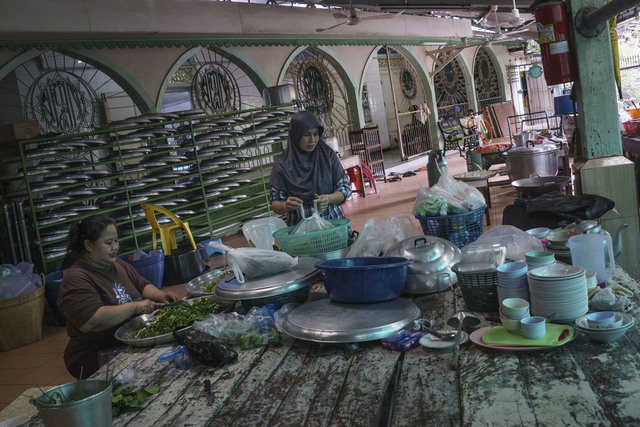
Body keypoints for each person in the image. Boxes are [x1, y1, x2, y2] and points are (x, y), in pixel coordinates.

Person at [58, 214, 179, 379]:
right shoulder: (76, 278)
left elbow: (142, 285)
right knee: (140, 375)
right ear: (89, 245)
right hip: (94, 350)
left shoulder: (117, 263)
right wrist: (134, 307)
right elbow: (91, 321)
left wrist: (161, 295)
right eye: (109, 242)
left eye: (116, 240)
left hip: (128, 339)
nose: (115, 246)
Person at [269, 110, 352, 227]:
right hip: (302, 229)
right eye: (306, 135)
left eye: (316, 134)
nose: (312, 140)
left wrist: (329, 199)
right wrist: (285, 206)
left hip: (333, 224)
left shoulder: (327, 155)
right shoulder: (282, 164)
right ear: (296, 135)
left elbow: (345, 189)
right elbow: (275, 203)